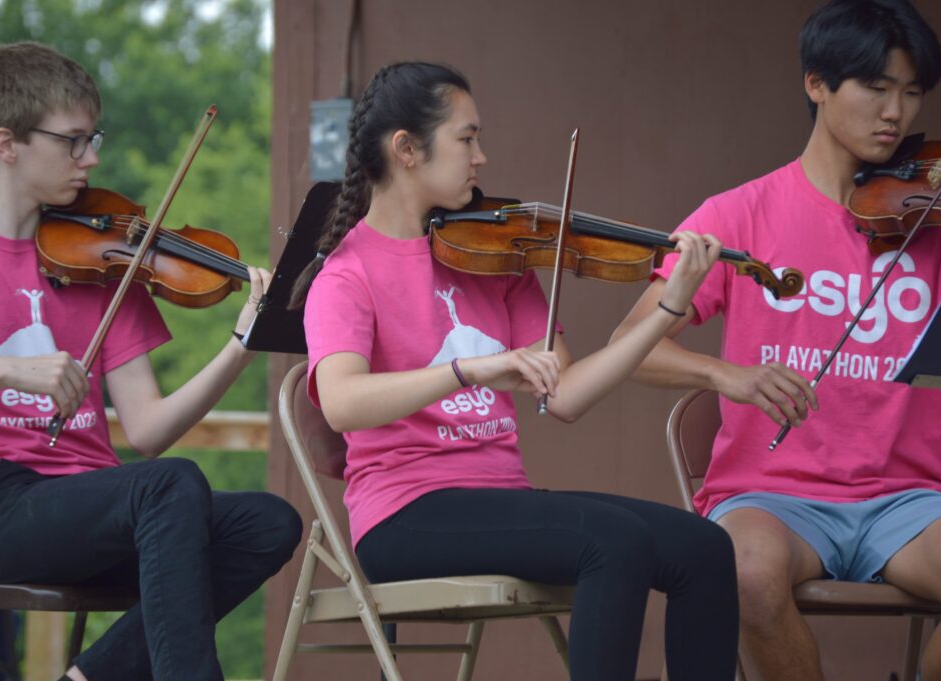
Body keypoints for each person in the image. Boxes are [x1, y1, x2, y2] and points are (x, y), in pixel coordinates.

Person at [290, 60, 738, 681]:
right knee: (613, 541)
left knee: (706, 548)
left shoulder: (497, 258)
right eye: (467, 138)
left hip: (499, 499)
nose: (482, 158)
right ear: (407, 149)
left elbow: (569, 395)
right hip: (404, 514)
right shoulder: (345, 274)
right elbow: (340, 403)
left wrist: (668, 307)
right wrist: (466, 370)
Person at [612, 1, 941, 679]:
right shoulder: (739, 214)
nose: (897, 112)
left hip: (913, 498)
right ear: (817, 84)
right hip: (771, 493)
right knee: (743, 574)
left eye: (912, 91)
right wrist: (728, 376)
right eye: (876, 87)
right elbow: (632, 344)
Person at [0, 42, 301, 681]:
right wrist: (2, 371)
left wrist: (241, 341)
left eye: (94, 138)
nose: (93, 158)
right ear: (7, 143)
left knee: (266, 521)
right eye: (74, 141)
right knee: (170, 486)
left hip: (102, 507)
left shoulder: (102, 260)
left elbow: (147, 431)